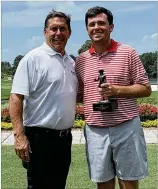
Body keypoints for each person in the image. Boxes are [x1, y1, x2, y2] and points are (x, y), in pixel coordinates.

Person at [76, 6, 151, 189]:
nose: (96, 27)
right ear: (87, 29)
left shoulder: (128, 53)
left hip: (126, 125)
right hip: (95, 130)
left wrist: (116, 91)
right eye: (91, 24)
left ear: (111, 27)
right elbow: (79, 94)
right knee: (103, 183)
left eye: (101, 23)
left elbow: (145, 88)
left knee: (129, 182)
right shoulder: (81, 60)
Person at [9, 10, 78, 189]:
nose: (58, 33)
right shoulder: (33, 59)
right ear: (45, 32)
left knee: (58, 185)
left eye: (63, 29)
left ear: (69, 32)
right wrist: (19, 136)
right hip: (39, 139)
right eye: (53, 29)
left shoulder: (71, 62)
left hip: (64, 139)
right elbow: (16, 97)